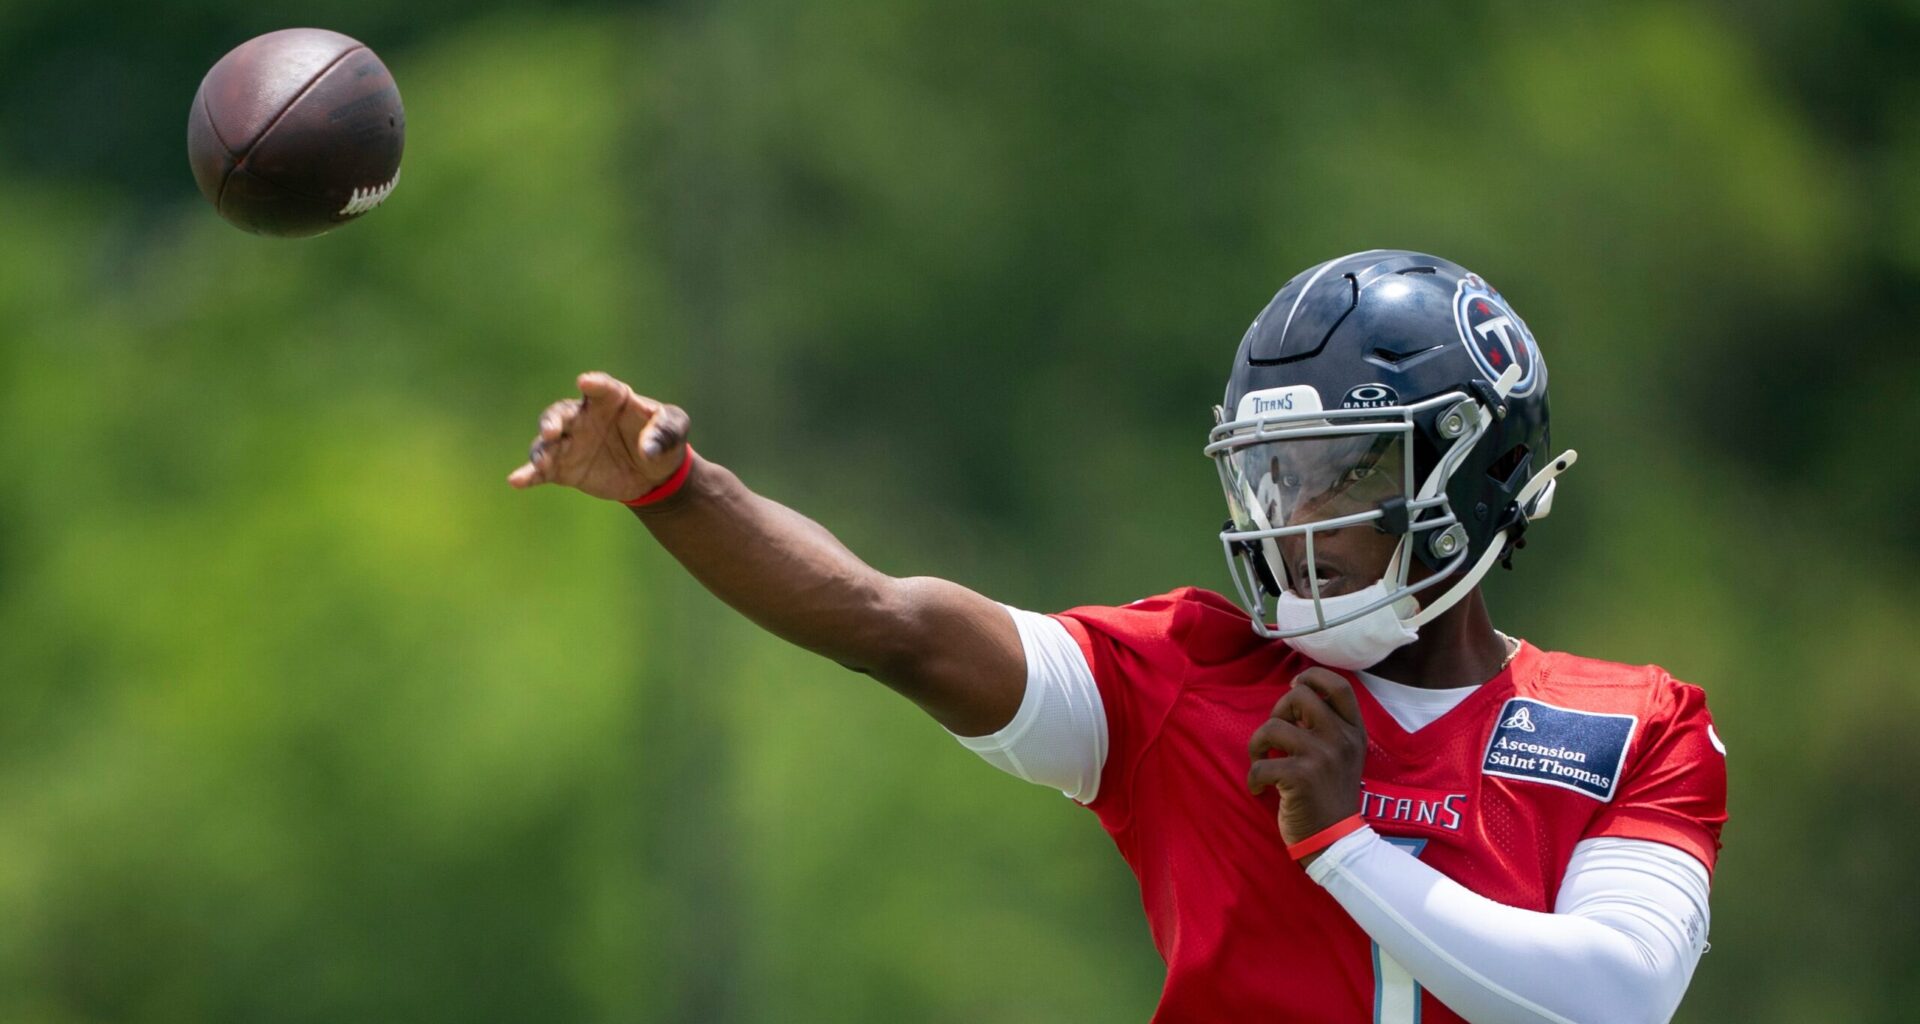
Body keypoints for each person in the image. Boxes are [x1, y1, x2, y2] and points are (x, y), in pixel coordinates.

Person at [507, 250, 1727, 1024]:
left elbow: (1609, 1002)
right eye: (1275, 478)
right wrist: (684, 495)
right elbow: (889, 623)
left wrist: (1348, 842)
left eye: (1341, 472)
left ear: (1481, 470)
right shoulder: (1189, 678)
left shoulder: (1634, 724)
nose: (1297, 520)